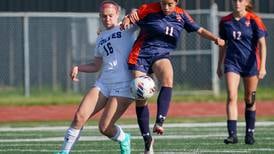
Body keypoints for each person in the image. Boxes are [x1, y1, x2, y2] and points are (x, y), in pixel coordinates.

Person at [120, 0, 225, 150]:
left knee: (168, 79)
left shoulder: (182, 15)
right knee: (140, 96)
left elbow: (199, 30)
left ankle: (160, 122)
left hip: (161, 54)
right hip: (140, 55)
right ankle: (147, 139)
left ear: (176, 2)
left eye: (170, 4)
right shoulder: (148, 9)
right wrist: (126, 19)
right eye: (163, 3)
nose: (166, 7)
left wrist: (215, 39)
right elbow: (132, 17)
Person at [55, 1, 138, 154]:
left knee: (104, 127)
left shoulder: (127, 26)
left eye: (110, 15)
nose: (107, 19)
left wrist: (134, 12)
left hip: (124, 85)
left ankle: (124, 138)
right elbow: (96, 65)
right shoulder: (101, 37)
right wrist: (78, 67)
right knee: (79, 117)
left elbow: (141, 14)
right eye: (104, 16)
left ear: (117, 14)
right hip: (104, 83)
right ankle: (64, 152)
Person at [217, 0, 267, 145]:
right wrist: (219, 65)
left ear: (247, 2)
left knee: (249, 100)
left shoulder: (254, 20)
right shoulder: (225, 21)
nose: (237, 3)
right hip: (232, 63)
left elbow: (262, 44)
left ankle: (249, 133)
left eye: (240, 0)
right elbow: (223, 45)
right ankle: (232, 134)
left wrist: (262, 66)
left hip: (251, 65)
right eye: (235, 0)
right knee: (232, 96)